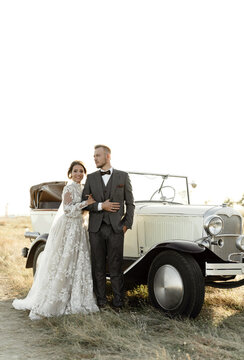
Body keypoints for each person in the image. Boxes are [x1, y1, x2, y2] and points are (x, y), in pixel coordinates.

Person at [12, 160, 99, 320]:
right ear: (70, 173)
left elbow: (83, 210)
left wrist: (88, 206)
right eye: (75, 171)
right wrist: (86, 203)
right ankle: (55, 299)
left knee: (79, 262)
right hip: (68, 228)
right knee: (65, 261)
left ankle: (78, 297)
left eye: (81, 171)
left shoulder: (83, 188)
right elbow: (67, 209)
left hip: (80, 227)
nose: (78, 174)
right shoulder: (69, 187)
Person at [82, 145, 135, 309]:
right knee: (97, 265)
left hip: (116, 229)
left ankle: (118, 302)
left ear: (108, 156)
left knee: (116, 266)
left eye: (98, 155)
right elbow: (83, 205)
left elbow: (130, 203)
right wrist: (100, 206)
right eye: (94, 156)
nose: (95, 158)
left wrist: (126, 225)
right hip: (96, 229)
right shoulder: (90, 178)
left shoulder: (123, 176)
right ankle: (101, 301)